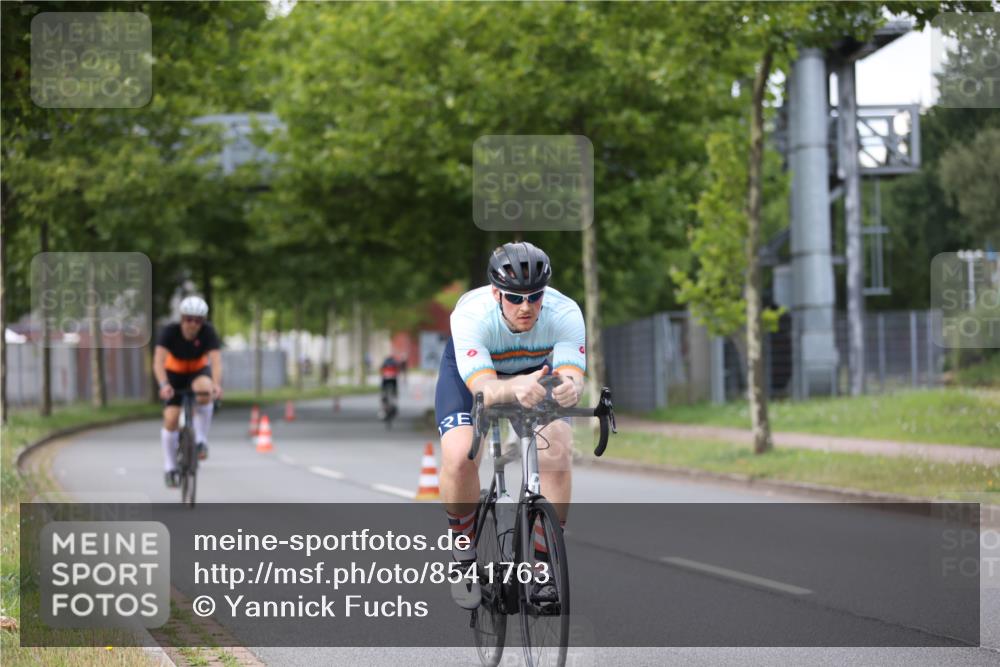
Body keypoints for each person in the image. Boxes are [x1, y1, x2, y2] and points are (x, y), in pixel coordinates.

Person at [435, 242, 585, 608]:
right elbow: (484, 389)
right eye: (515, 298)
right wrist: (514, 386)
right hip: (476, 377)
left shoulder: (565, 312)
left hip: (536, 373)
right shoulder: (471, 315)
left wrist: (570, 388)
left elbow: (571, 374)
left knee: (557, 448)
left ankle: (543, 567)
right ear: (496, 293)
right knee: (460, 456)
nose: (526, 307)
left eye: (535, 297)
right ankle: (464, 558)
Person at [153, 296, 223, 488]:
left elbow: (216, 362)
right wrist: (163, 385)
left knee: (205, 389)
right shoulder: (170, 332)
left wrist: (216, 385)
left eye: (198, 320)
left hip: (197, 371)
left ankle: (200, 439)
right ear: (182, 318)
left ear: (203, 321)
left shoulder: (208, 332)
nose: (193, 324)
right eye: (188, 319)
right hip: (174, 374)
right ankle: (170, 467)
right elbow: (158, 362)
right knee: (171, 419)